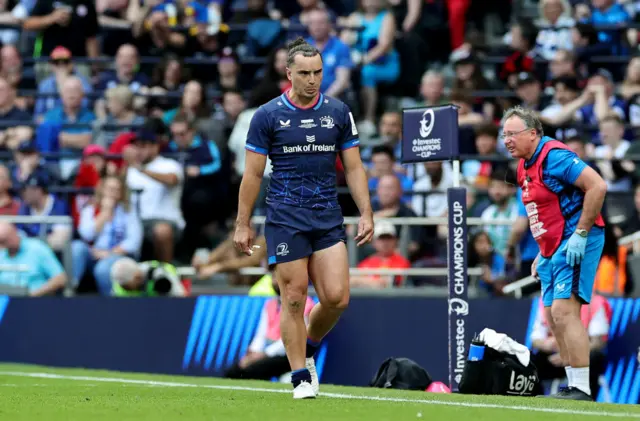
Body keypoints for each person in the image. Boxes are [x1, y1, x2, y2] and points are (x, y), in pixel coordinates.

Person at [233, 37, 374, 399]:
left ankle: (308, 347)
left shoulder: (339, 112)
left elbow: (354, 168)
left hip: (327, 215)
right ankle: (299, 377)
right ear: (289, 72)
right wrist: (243, 222)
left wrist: (366, 211)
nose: (313, 80)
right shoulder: (267, 115)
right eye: (305, 73)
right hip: (284, 216)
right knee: (293, 297)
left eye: (318, 72)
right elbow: (252, 175)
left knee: (337, 298)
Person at [502, 105, 607, 401]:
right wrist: (542, 251)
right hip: (551, 248)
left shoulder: (554, 156)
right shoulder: (524, 165)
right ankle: (571, 383)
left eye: (512, 134)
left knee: (564, 310)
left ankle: (583, 389)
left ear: (533, 134)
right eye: (504, 135)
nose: (506, 140)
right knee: (550, 315)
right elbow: (542, 212)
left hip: (576, 239)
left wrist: (581, 233)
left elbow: (598, 186)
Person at [225, 275, 315, 381]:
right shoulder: (270, 304)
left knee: (253, 370)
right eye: (273, 278)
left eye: (277, 278)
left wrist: (264, 354)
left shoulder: (304, 303)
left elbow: (294, 339)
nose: (274, 281)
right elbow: (261, 333)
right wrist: (253, 352)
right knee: (234, 371)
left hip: (289, 355)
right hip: (267, 352)